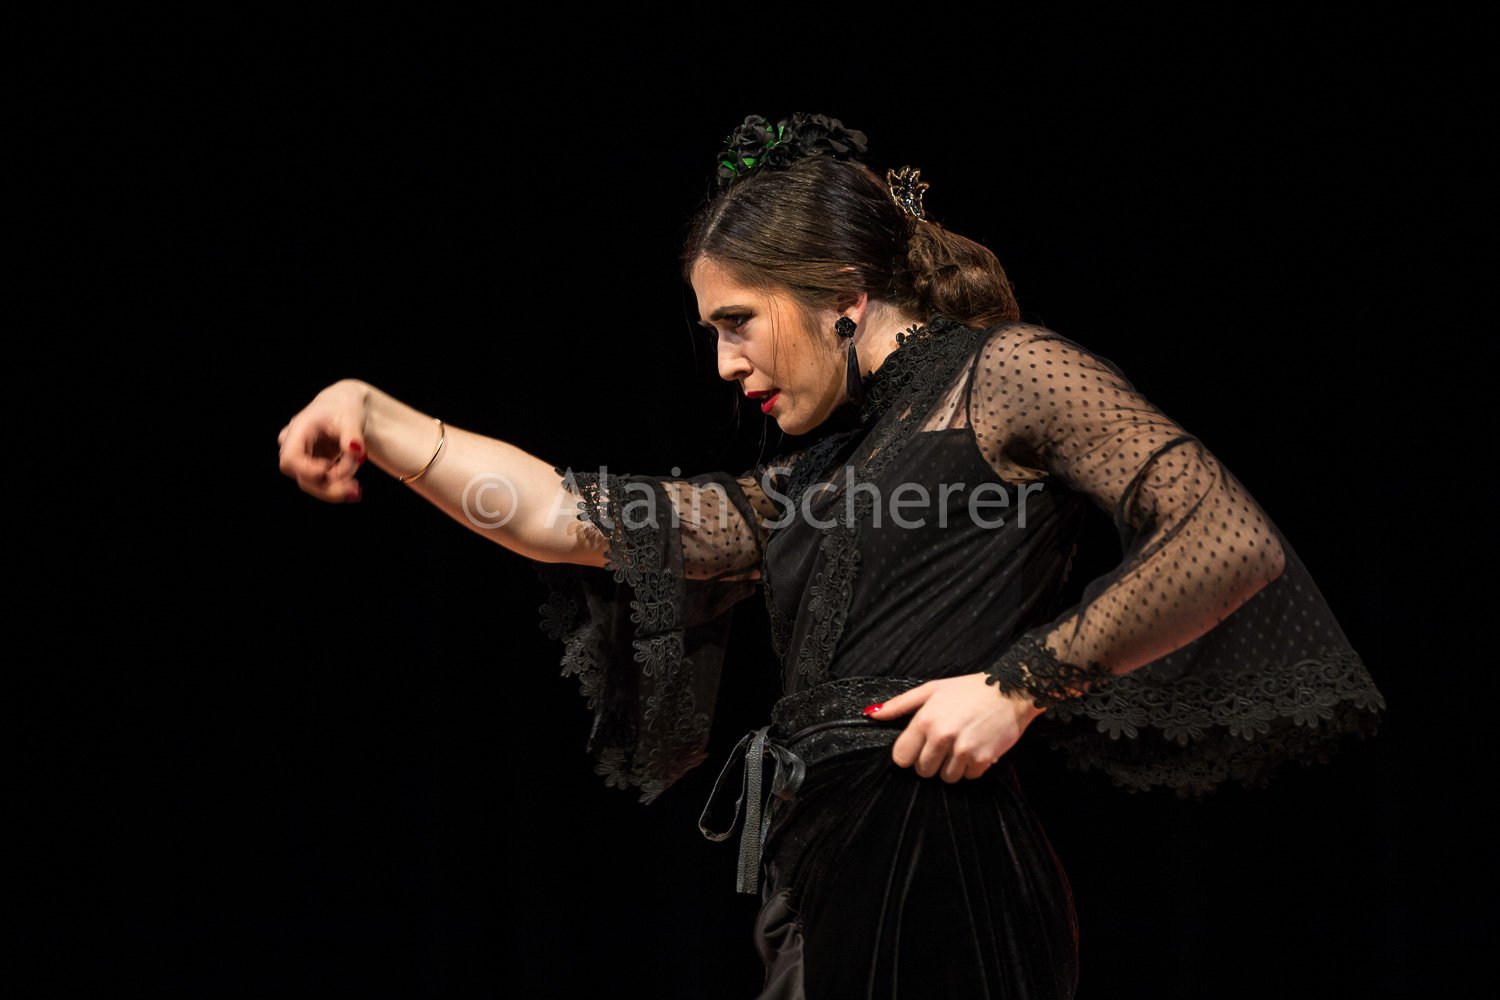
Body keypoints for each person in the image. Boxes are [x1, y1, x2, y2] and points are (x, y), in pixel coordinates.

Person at [277, 112, 1386, 999]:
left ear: (844, 299)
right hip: (823, 860)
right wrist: (372, 412)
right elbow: (563, 516)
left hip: (936, 851)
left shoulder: (1005, 372)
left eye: (737, 320)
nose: (724, 363)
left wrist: (1019, 685)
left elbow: (1229, 539)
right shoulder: (807, 477)